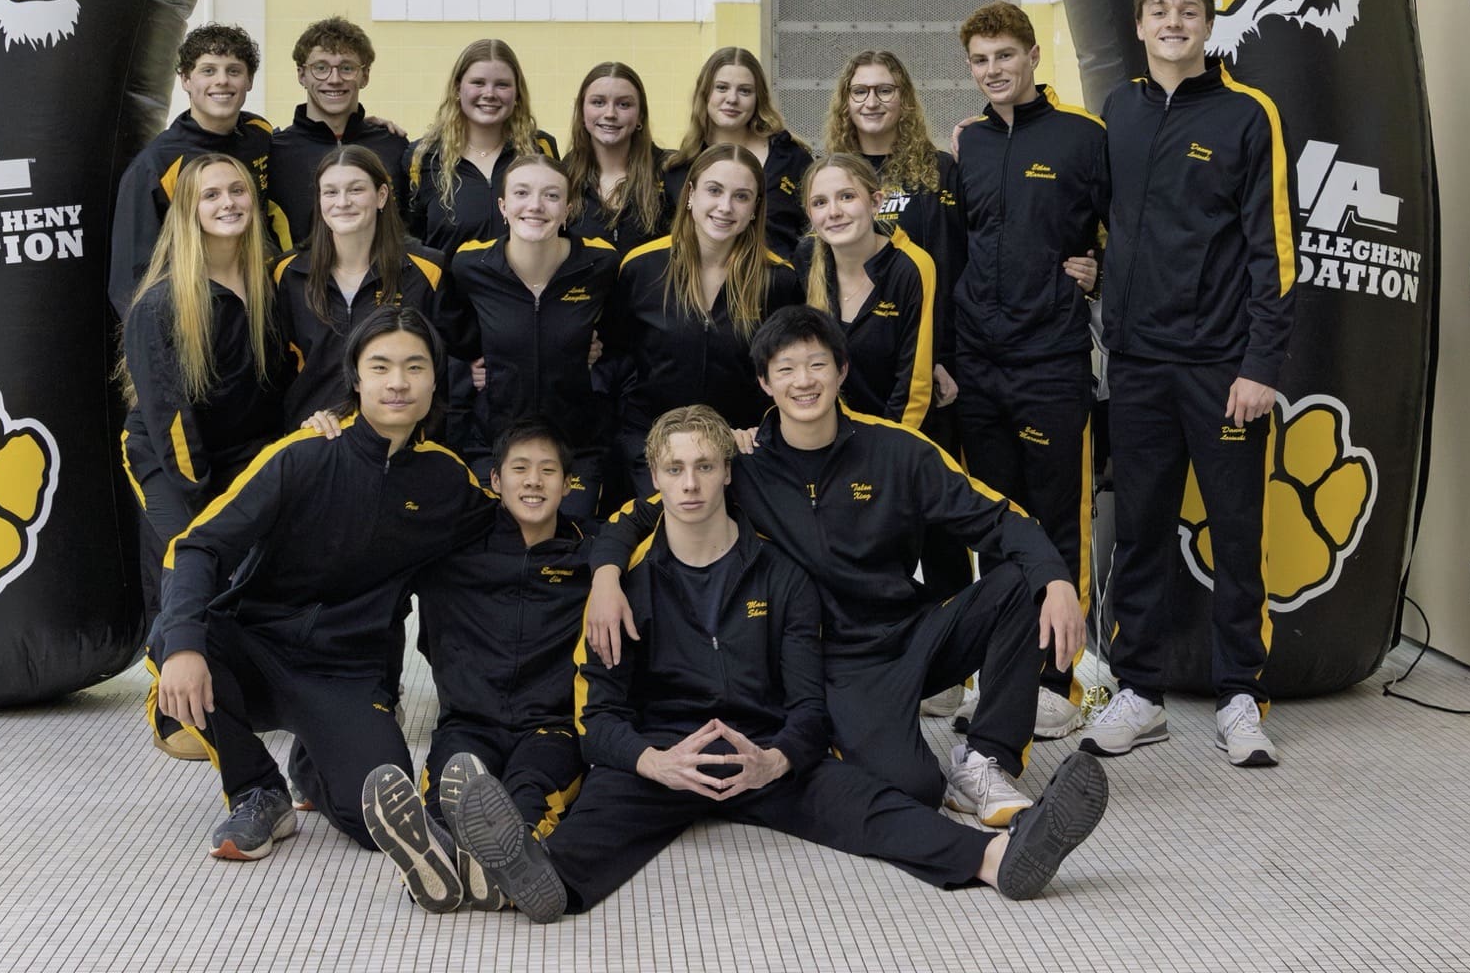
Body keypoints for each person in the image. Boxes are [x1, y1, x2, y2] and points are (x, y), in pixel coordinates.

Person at [433, 405, 1109, 920]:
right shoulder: (625, 584)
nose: (691, 483)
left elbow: (811, 710)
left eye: (705, 465)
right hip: (664, 754)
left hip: (764, 751)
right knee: (588, 830)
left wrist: (776, 759)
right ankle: (542, 879)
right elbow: (598, 718)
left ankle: (1000, 859)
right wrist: (653, 762)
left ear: (731, 469)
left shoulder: (783, 578)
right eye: (675, 468)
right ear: (655, 477)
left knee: (870, 802)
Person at [588, 306, 1081, 828]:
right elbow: (636, 514)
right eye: (786, 369)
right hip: (837, 662)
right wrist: (604, 576)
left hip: (913, 630)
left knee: (1018, 583)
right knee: (911, 788)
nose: (804, 381)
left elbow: (1002, 518)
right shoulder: (745, 464)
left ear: (842, 371)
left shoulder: (897, 450)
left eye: (817, 365)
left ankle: (986, 761)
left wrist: (1056, 579)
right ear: (764, 383)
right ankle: (861, 739)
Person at [149, 306, 496, 861]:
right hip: (256, 650)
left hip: (347, 673)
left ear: (436, 378)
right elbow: (198, 546)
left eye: (415, 367)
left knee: (382, 822)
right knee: (176, 637)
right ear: (356, 378)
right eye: (380, 367)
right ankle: (258, 791)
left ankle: (315, 768)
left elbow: (515, 528)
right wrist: (185, 646)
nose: (398, 383)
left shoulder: (446, 480)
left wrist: (607, 561)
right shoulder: (305, 455)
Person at [1080, 0, 1295, 770]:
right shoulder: (1119, 111)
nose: (1174, 21)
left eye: (1189, 10)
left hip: (1221, 367)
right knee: (1137, 531)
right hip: (1136, 364)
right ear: (1139, 26)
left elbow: (1275, 250)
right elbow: (1104, 216)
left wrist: (1260, 364)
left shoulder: (1248, 114)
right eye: (1160, 10)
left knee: (1238, 532)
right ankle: (1141, 692)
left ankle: (1241, 695)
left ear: (1209, 23)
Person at [950, 1, 1107, 739]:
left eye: (1004, 56)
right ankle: (1001, 672)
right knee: (995, 528)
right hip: (980, 367)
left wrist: (1099, 269)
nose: (992, 72)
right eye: (980, 61)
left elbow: (1123, 228)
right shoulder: (969, 144)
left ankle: (1059, 682)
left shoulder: (1083, 138)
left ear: (1033, 56)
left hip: (1051, 365)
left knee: (1057, 525)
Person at [359, 418, 591, 912]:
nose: (533, 481)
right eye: (520, 469)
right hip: (468, 720)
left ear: (569, 485)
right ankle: (445, 852)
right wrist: (334, 432)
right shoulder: (452, 552)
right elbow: (386, 503)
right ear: (494, 481)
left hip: (551, 727)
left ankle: (500, 857)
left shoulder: (591, 558)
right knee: (448, 790)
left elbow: (663, 524)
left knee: (530, 792)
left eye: (548, 470)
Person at [822, 52, 971, 632]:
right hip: (850, 371)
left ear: (905, 100)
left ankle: (953, 663)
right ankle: (882, 648)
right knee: (862, 514)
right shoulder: (831, 173)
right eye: (860, 91)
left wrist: (944, 358)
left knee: (935, 520)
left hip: (923, 370)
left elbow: (956, 267)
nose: (872, 102)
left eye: (885, 90)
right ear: (845, 101)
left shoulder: (937, 171)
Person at [118, 155, 288, 652]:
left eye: (237, 191)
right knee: (192, 561)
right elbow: (170, 418)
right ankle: (170, 698)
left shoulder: (272, 282)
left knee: (259, 569)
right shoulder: (161, 304)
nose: (228, 203)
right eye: (211, 195)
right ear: (189, 211)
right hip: (170, 461)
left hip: (246, 452)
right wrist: (204, 499)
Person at [600, 145, 800, 499]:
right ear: (690, 194)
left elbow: (783, 371)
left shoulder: (778, 280)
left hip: (738, 453)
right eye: (714, 190)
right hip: (650, 450)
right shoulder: (641, 267)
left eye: (741, 196)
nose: (725, 207)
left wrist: (760, 430)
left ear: (755, 209)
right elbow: (615, 355)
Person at [436, 154, 619, 512]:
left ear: (568, 209)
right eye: (522, 193)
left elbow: (621, 337)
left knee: (568, 548)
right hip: (494, 443)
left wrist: (595, 355)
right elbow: (453, 337)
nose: (535, 206)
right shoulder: (471, 265)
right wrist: (477, 366)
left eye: (551, 196)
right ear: (503, 206)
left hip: (576, 447)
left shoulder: (601, 264)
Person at [109, 23, 284, 316]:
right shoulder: (156, 165)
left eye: (234, 70)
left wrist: (367, 129)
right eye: (208, 70)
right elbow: (131, 276)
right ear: (186, 80)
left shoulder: (260, 134)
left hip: (259, 307)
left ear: (249, 80)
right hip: (195, 316)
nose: (222, 81)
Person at [275, 145, 443, 430]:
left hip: (400, 440)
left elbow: (446, 362)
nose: (342, 202)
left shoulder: (427, 270)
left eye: (355, 190)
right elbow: (277, 370)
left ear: (381, 196)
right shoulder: (287, 273)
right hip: (313, 437)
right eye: (330, 192)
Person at [793, 154, 937, 431]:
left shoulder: (912, 268)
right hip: (826, 434)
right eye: (820, 203)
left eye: (847, 197)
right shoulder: (806, 257)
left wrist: (888, 452)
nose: (833, 212)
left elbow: (914, 386)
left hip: (894, 439)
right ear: (810, 214)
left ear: (876, 202)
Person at [406, 38, 558, 255]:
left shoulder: (540, 149)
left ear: (517, 93)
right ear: (457, 88)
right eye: (478, 83)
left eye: (502, 85)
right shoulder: (422, 156)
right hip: (449, 289)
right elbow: (409, 239)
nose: (489, 93)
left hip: (522, 288)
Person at [271, 17, 410, 249]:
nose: (334, 80)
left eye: (347, 68)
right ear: (301, 75)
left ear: (364, 76)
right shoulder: (274, 152)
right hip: (298, 282)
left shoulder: (393, 146)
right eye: (321, 68)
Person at [664, 47, 812, 259]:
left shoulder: (791, 159)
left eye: (745, 91)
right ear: (705, 94)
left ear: (758, 98)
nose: (732, 99)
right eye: (722, 88)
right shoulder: (680, 167)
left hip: (779, 286)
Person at [562, 62, 672, 256]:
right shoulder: (564, 175)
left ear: (640, 116)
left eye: (624, 104)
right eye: (598, 102)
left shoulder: (670, 170)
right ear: (581, 112)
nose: (610, 114)